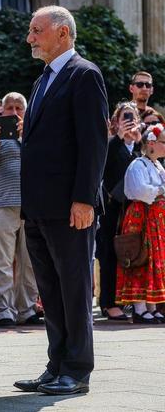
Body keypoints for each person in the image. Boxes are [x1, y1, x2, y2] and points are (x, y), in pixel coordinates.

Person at [15, 6, 108, 396]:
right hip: (39, 207)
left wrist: (84, 199)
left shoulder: (84, 75)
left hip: (71, 208)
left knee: (73, 289)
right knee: (50, 292)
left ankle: (77, 370)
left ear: (63, 33)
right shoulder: (43, 80)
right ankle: (56, 366)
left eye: (37, 31)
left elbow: (93, 143)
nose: (30, 38)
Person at [0, 92, 40, 328]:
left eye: (19, 108)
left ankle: (27, 309)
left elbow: (45, 164)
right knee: (1, 260)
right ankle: (3, 310)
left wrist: (28, 139)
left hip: (32, 206)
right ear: (2, 111)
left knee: (30, 262)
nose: (14, 113)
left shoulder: (36, 133)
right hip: (3, 205)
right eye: (10, 108)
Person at [96, 103, 141, 321]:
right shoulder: (110, 145)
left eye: (133, 117)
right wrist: (121, 138)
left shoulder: (142, 146)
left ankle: (134, 300)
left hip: (135, 208)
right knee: (109, 254)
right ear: (115, 122)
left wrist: (137, 141)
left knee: (135, 254)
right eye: (125, 117)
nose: (130, 121)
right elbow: (104, 167)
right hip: (112, 208)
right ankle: (108, 302)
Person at [116, 124, 165, 323]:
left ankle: (151, 306)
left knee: (154, 260)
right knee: (140, 257)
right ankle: (139, 307)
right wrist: (160, 190)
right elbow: (140, 191)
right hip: (142, 216)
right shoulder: (138, 164)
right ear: (151, 144)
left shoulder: (157, 166)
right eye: (163, 142)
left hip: (155, 218)